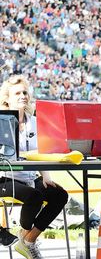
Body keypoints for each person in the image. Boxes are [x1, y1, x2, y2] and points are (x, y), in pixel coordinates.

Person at [0, 75, 69, 259]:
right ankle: (26, 235)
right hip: (4, 179)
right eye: (18, 93)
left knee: (60, 195)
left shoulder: (35, 121)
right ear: (7, 98)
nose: (23, 96)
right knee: (34, 196)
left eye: (25, 92)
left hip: (30, 178)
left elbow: (41, 152)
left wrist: (46, 176)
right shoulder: (1, 121)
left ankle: (28, 239)